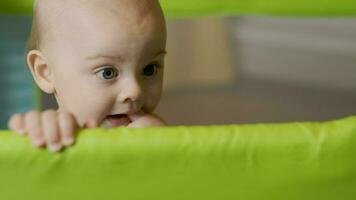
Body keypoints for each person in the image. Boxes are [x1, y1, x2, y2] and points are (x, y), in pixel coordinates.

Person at [8, 0, 167, 152]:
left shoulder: (156, 132)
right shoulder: (49, 137)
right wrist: (38, 139)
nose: (134, 91)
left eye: (149, 69)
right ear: (45, 72)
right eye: (107, 73)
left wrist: (164, 150)